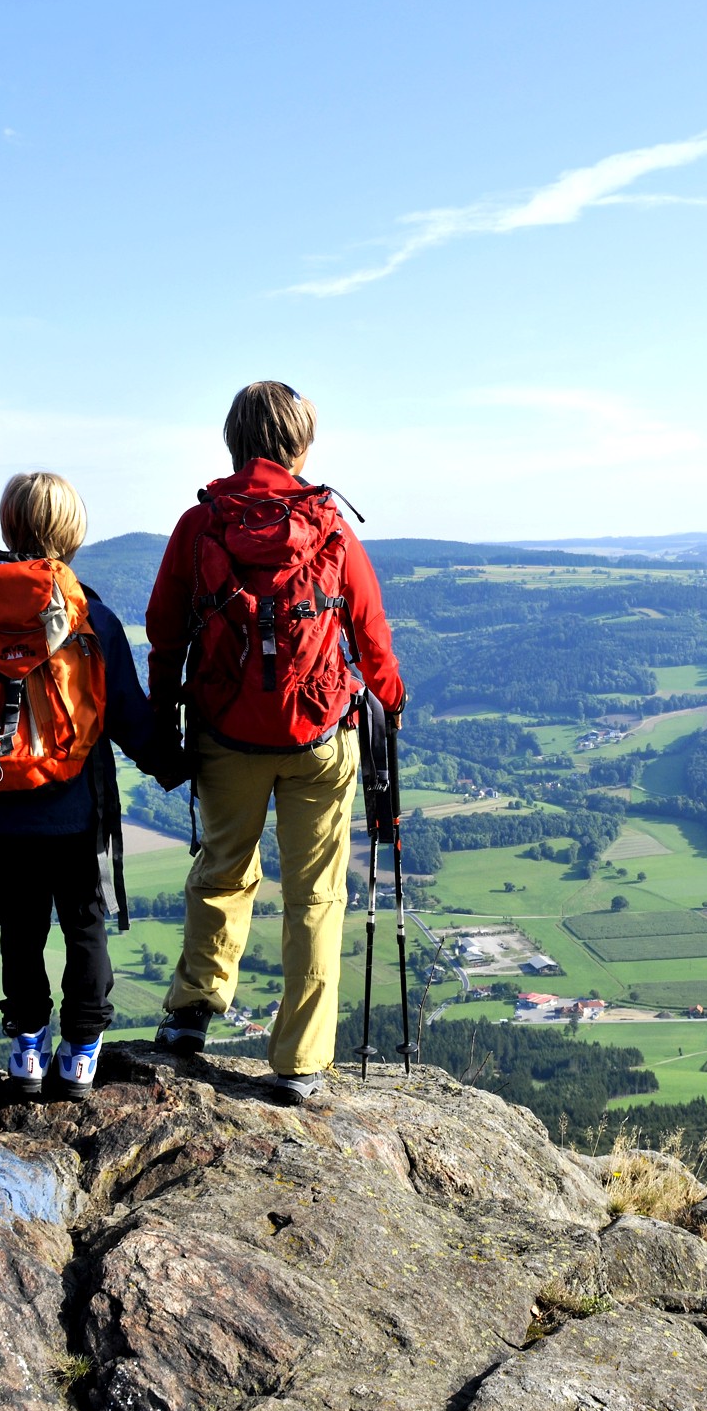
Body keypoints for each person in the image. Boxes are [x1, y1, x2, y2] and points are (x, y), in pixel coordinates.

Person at [145, 382, 404, 1104]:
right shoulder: (328, 522)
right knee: (316, 894)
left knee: (223, 867)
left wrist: (166, 713)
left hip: (226, 732)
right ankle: (300, 1062)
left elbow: (165, 630)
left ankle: (193, 1010)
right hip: (321, 732)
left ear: (233, 440)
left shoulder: (201, 524)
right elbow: (370, 632)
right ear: (300, 443)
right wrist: (391, 704)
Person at [0, 473, 156, 1099]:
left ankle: (27, 1047)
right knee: (84, 922)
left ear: (8, 527)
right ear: (74, 534)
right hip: (75, 807)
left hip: (1, 805)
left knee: (21, 926)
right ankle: (82, 1050)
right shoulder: (88, 613)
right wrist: (181, 765)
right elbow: (128, 717)